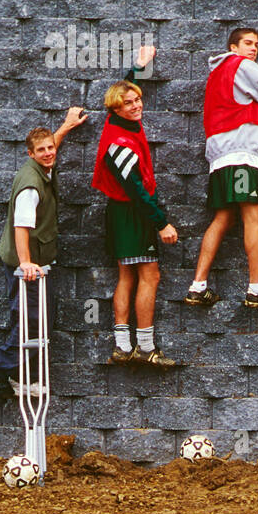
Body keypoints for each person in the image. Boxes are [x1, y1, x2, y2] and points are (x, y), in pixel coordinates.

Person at [0, 106, 89, 401]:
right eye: (41, 150)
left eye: (51, 147)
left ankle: (15, 373)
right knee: (30, 321)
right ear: (30, 154)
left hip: (39, 261)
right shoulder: (31, 185)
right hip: (25, 264)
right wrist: (26, 262)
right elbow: (21, 227)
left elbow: (50, 144)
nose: (48, 152)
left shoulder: (43, 166)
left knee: (42, 320)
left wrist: (65, 127)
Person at [185, 27, 258, 309]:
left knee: (223, 218)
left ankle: (198, 286)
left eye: (257, 43)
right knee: (253, 217)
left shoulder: (219, 72)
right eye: (247, 43)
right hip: (242, 155)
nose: (254, 48)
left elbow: (254, 104)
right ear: (233, 47)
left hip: (220, 156)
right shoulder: (241, 64)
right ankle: (256, 288)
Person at [92, 45, 181, 368]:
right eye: (127, 104)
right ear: (115, 110)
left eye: (137, 100)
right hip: (131, 212)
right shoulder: (120, 142)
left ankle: (122, 346)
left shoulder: (119, 122)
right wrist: (161, 223)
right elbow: (137, 191)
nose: (135, 106)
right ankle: (143, 347)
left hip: (122, 211)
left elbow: (123, 89)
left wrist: (139, 66)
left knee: (127, 276)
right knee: (150, 275)